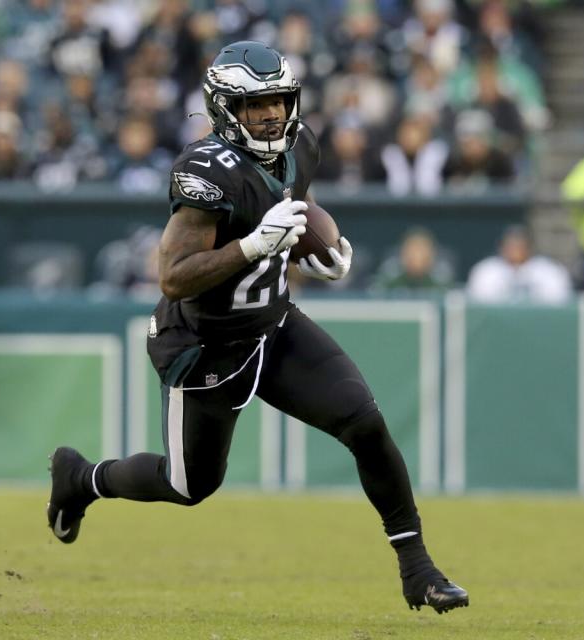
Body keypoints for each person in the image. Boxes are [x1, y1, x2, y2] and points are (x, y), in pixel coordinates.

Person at [47, 40, 469, 616]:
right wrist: (251, 245)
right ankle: (82, 478)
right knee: (189, 485)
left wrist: (320, 251)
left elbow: (296, 210)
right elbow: (173, 277)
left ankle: (418, 568)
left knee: (365, 424)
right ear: (224, 109)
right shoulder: (205, 170)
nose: (271, 113)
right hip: (204, 343)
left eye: (277, 99)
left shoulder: (300, 145)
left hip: (274, 326)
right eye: (254, 104)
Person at [466, 225, 573, 304]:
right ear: (501, 247)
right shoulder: (486, 270)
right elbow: (478, 304)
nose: (515, 251)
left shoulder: (548, 271)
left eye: (520, 245)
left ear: (529, 247)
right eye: (511, 246)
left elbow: (560, 302)